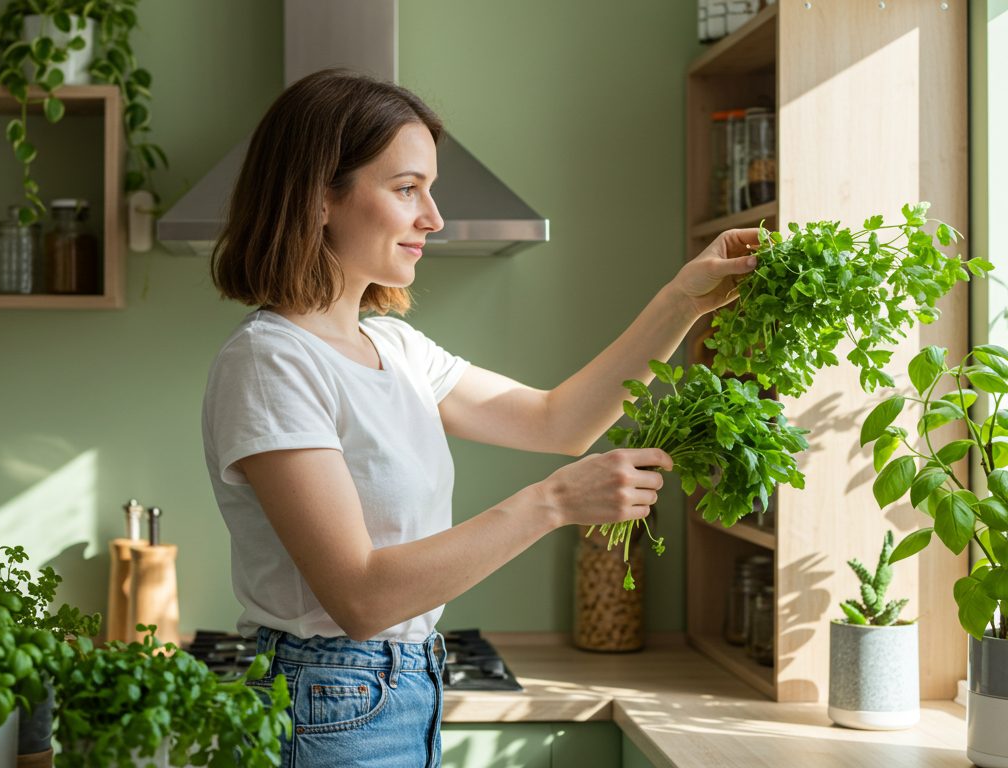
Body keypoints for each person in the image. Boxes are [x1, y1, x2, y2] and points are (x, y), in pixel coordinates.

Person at [201, 69, 759, 768]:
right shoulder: (271, 363)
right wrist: (554, 502)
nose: (432, 217)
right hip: (329, 699)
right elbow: (362, 597)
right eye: (407, 189)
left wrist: (686, 299)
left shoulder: (393, 346)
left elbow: (561, 421)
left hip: (400, 688)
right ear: (319, 197)